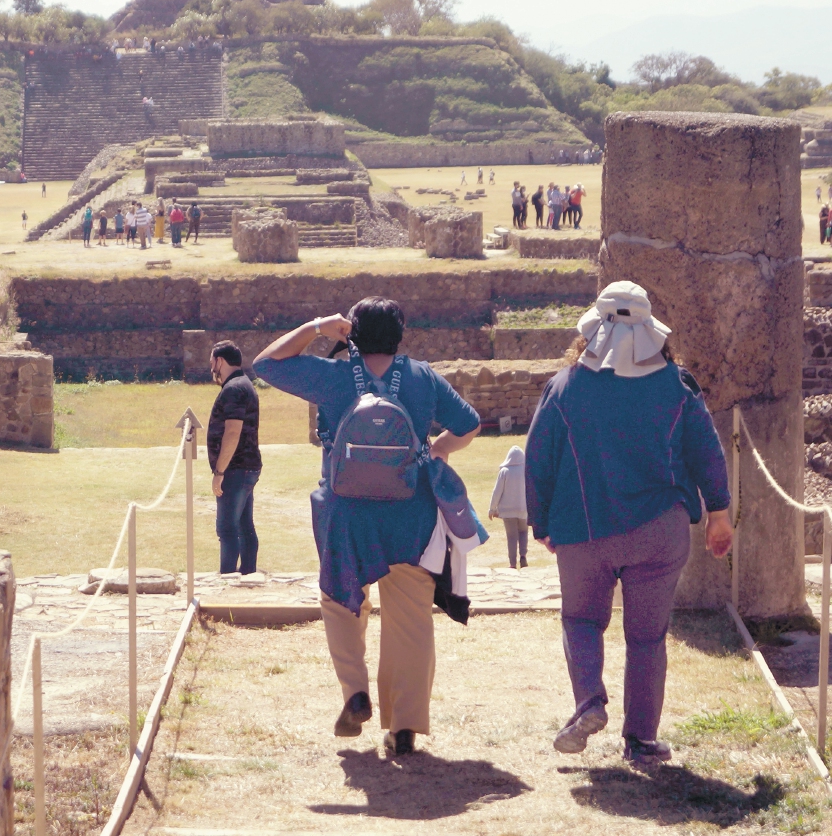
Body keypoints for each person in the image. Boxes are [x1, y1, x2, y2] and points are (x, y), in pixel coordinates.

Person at [254, 298, 482, 755]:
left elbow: (266, 363)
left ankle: (355, 692)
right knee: (411, 620)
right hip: (410, 512)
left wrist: (318, 326)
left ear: (352, 334)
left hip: (346, 512)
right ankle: (405, 725)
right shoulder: (421, 378)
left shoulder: (334, 377)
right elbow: (470, 424)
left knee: (341, 601)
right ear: (400, 335)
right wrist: (434, 450)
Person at [525, 281, 732, 768]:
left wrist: (542, 524)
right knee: (646, 637)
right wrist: (719, 513)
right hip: (659, 530)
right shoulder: (676, 386)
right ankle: (640, 740)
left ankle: (589, 703)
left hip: (582, 527)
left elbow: (538, 460)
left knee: (581, 620)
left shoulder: (564, 386)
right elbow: (707, 452)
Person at [206, 341, 263, 576]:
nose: (211, 367)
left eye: (212, 361)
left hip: (236, 469)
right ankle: (248, 575)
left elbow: (232, 432)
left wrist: (219, 472)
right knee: (244, 526)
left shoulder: (233, 389)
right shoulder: (242, 384)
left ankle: (227, 580)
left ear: (220, 361)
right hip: (246, 468)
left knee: (227, 529)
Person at [489, 446, 528, 568]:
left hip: (507, 511)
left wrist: (492, 508)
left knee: (511, 536)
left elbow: (497, 491)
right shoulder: (526, 470)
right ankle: (523, 557)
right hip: (523, 509)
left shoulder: (505, 471)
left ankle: (512, 563)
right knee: (523, 532)